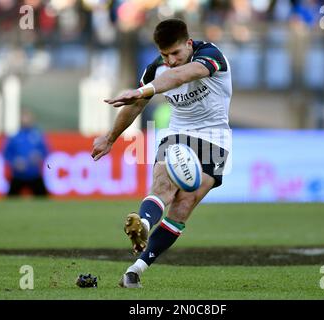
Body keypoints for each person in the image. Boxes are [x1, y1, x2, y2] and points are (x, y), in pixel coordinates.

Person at [91, 18, 232, 288]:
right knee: (163, 187)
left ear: (189, 44)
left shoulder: (211, 56)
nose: (171, 61)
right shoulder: (156, 69)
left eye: (176, 53)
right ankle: (142, 224)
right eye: (164, 55)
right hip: (177, 134)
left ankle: (136, 269)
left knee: (184, 204)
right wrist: (110, 138)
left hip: (214, 139)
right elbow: (134, 105)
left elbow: (181, 76)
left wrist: (145, 89)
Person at [3, 109, 50, 197]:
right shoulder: (14, 137)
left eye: (27, 118)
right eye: (24, 118)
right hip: (18, 175)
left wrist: (39, 156)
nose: (25, 120)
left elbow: (45, 151)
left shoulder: (38, 136)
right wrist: (14, 162)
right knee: (9, 201)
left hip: (34, 174)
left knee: (44, 200)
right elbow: (6, 154)